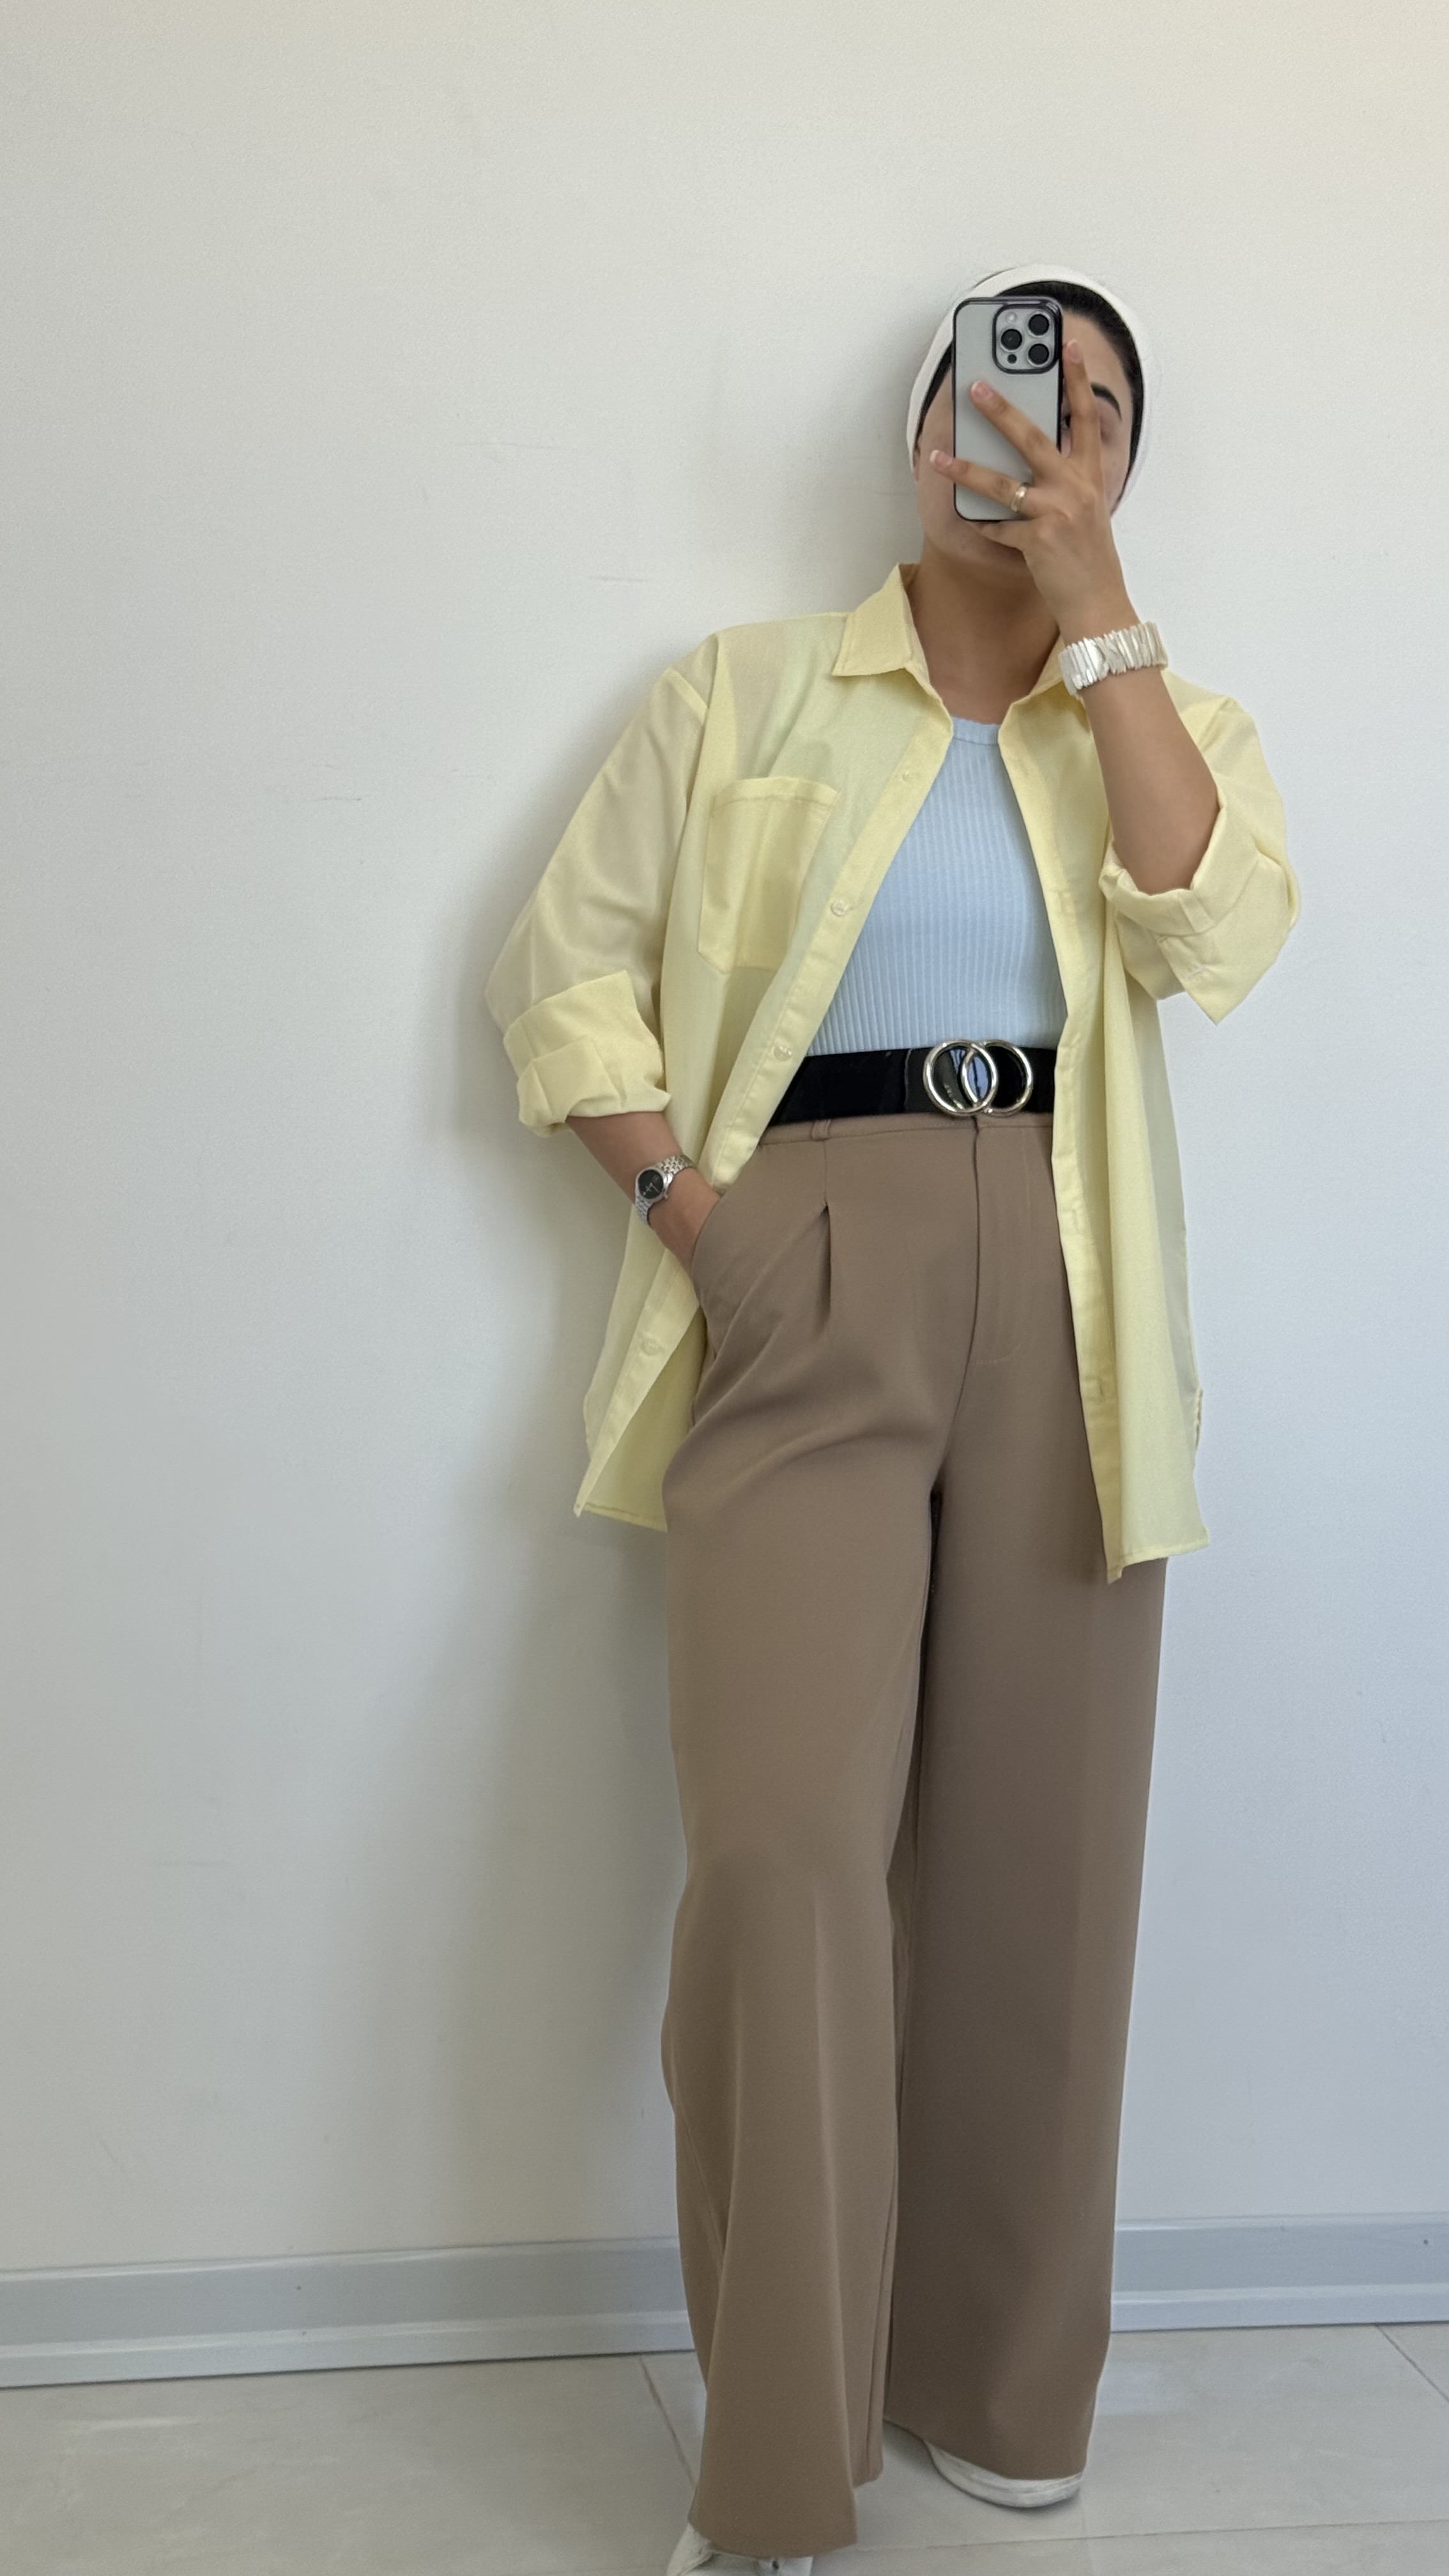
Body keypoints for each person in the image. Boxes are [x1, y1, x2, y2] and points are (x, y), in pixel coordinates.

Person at [483, 262, 1298, 2576]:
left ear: (1117, 470)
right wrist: (702, 1224)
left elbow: (1210, 933)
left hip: (1070, 1282)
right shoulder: (736, 694)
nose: (1033, 435)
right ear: (923, 426)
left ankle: (997, 2381)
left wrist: (1099, 617)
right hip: (800, 1259)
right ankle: (777, 2453)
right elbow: (560, 969)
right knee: (779, 1852)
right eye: (1000, 389)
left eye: (1087, 411)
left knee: (1045, 1864)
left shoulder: (1171, 718)